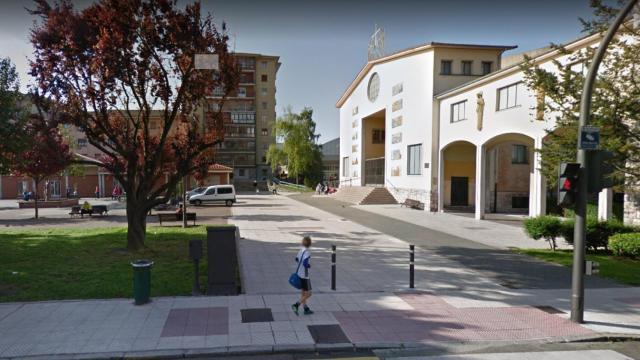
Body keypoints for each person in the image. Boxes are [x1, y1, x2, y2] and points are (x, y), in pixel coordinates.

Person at [291, 236, 313, 315]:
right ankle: (296, 304)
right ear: (310, 244)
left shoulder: (301, 250)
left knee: (303, 293)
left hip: (299, 273)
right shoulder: (307, 252)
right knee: (309, 293)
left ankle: (305, 308)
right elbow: (305, 263)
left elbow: (296, 259)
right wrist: (308, 265)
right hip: (304, 275)